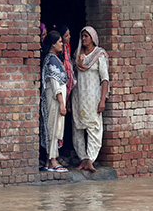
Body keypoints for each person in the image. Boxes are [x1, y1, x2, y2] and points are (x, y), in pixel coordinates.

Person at [71, 26, 109, 173]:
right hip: (79, 97)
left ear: (93, 38)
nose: (84, 39)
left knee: (94, 127)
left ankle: (90, 159)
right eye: (83, 36)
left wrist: (102, 100)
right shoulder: (78, 56)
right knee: (78, 127)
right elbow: (72, 77)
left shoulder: (99, 55)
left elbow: (104, 79)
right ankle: (82, 158)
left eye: (86, 36)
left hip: (93, 98)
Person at [39, 30, 68, 172]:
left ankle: (50, 161)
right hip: (54, 101)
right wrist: (62, 103)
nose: (62, 44)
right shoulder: (51, 60)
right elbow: (56, 86)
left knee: (54, 128)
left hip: (56, 100)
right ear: (53, 44)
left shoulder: (53, 58)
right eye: (60, 42)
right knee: (53, 128)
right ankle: (52, 160)